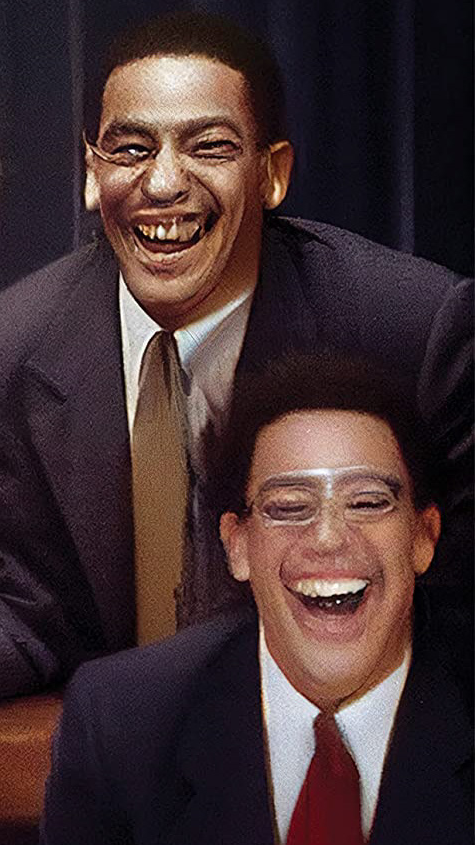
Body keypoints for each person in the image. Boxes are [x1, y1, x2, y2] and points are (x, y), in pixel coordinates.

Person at [0, 11, 472, 709]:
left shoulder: (411, 329)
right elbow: (22, 599)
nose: (163, 183)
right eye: (131, 149)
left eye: (210, 147)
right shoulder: (1, 353)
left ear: (272, 174)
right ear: (92, 175)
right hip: (118, 751)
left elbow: (457, 609)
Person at [41, 354, 470, 844]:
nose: (328, 538)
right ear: (237, 546)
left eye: (367, 503)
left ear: (423, 536)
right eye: (289, 507)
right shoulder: (121, 721)